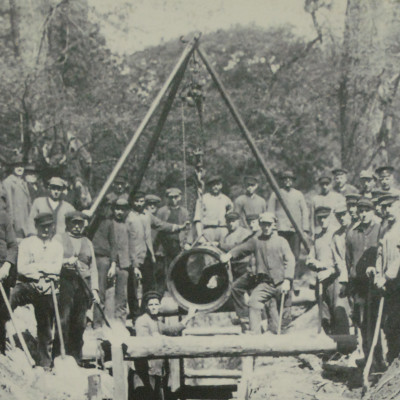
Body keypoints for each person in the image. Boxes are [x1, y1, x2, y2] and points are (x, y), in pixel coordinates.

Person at [221, 212, 294, 334]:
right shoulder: (256, 241)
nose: (266, 228)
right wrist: (229, 255)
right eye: (263, 225)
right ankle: (255, 336)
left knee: (283, 318)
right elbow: (242, 248)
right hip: (265, 284)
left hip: (282, 283)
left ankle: (284, 337)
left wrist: (287, 280)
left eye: (269, 225)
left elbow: (290, 260)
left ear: (274, 225)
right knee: (253, 302)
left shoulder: (282, 241)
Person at [10, 213, 64, 368]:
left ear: (53, 226)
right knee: (11, 298)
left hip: (48, 287)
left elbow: (56, 270)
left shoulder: (57, 246)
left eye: (49, 226)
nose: (46, 230)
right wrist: (40, 274)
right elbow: (22, 268)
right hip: (28, 284)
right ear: (36, 227)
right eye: (42, 226)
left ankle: (45, 362)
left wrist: (38, 269)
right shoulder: (27, 243)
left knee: (45, 325)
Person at [133, 291, 196, 400]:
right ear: (146, 307)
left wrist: (189, 316)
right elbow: (142, 343)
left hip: (156, 370)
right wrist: (156, 338)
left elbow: (172, 330)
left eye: (156, 304)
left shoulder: (156, 322)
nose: (154, 307)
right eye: (151, 305)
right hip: (144, 371)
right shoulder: (142, 320)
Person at [55, 211, 100, 363]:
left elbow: (93, 267)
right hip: (65, 282)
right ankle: (59, 355)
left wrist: (94, 289)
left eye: (79, 223)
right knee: (64, 319)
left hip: (83, 286)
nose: (76, 226)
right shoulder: (59, 239)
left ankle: (76, 357)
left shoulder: (88, 242)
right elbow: (51, 259)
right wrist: (65, 261)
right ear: (67, 223)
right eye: (73, 223)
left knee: (80, 322)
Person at [345, 198, 381, 365]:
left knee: (378, 322)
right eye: (360, 211)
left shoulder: (380, 230)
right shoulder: (352, 233)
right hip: (359, 285)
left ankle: (381, 359)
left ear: (373, 212)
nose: (363, 214)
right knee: (363, 323)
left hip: (377, 285)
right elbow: (349, 259)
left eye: (367, 210)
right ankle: (368, 359)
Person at [307, 206, 350, 334]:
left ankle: (344, 347)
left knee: (339, 312)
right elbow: (310, 258)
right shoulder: (318, 237)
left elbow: (343, 259)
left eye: (325, 217)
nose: (322, 220)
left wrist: (329, 269)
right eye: (319, 218)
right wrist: (314, 263)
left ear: (330, 217)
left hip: (335, 279)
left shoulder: (337, 234)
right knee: (325, 315)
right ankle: (329, 349)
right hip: (321, 281)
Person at [371, 194, 400, 364]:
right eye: (383, 207)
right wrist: (378, 275)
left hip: (397, 281)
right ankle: (392, 360)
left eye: (390, 206)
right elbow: (380, 254)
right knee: (390, 324)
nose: (387, 210)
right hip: (388, 284)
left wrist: (387, 276)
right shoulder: (385, 228)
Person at [154, 188, 190, 294]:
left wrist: (187, 242)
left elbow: (188, 229)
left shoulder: (184, 212)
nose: (174, 200)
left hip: (178, 245)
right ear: (167, 198)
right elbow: (158, 227)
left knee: (180, 271)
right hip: (163, 245)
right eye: (171, 197)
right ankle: (157, 299)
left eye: (176, 197)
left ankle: (181, 299)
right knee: (161, 273)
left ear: (180, 197)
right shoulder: (162, 211)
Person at [268, 170, 309, 260]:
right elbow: (270, 212)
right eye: (285, 179)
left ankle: (294, 274)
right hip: (280, 230)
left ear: (293, 181)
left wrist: (305, 229)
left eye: (289, 179)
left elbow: (304, 211)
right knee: (279, 254)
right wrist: (272, 228)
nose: (287, 181)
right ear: (282, 181)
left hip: (295, 230)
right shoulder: (275, 193)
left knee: (295, 255)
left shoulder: (298, 194)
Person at [194, 175, 233, 244]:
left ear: (221, 186)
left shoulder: (226, 199)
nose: (215, 187)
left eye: (218, 184)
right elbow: (198, 219)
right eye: (213, 184)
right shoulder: (203, 199)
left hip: (222, 230)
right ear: (210, 186)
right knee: (208, 253)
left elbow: (231, 217)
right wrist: (200, 235)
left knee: (224, 252)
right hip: (208, 230)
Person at [0, 210, 18, 354]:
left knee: (1, 312)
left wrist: (7, 265)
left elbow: (13, 245)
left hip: (2, 270)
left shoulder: (4, 216)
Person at [2, 155, 31, 239]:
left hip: (26, 220)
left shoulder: (23, 182)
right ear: (12, 167)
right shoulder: (8, 182)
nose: (20, 168)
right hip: (17, 222)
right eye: (17, 166)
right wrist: (11, 223)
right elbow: (9, 204)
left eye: (21, 166)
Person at [219, 212, 252, 279]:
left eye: (233, 221)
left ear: (238, 221)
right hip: (231, 266)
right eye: (228, 222)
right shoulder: (225, 236)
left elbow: (238, 248)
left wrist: (220, 245)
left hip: (243, 265)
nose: (231, 224)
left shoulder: (245, 233)